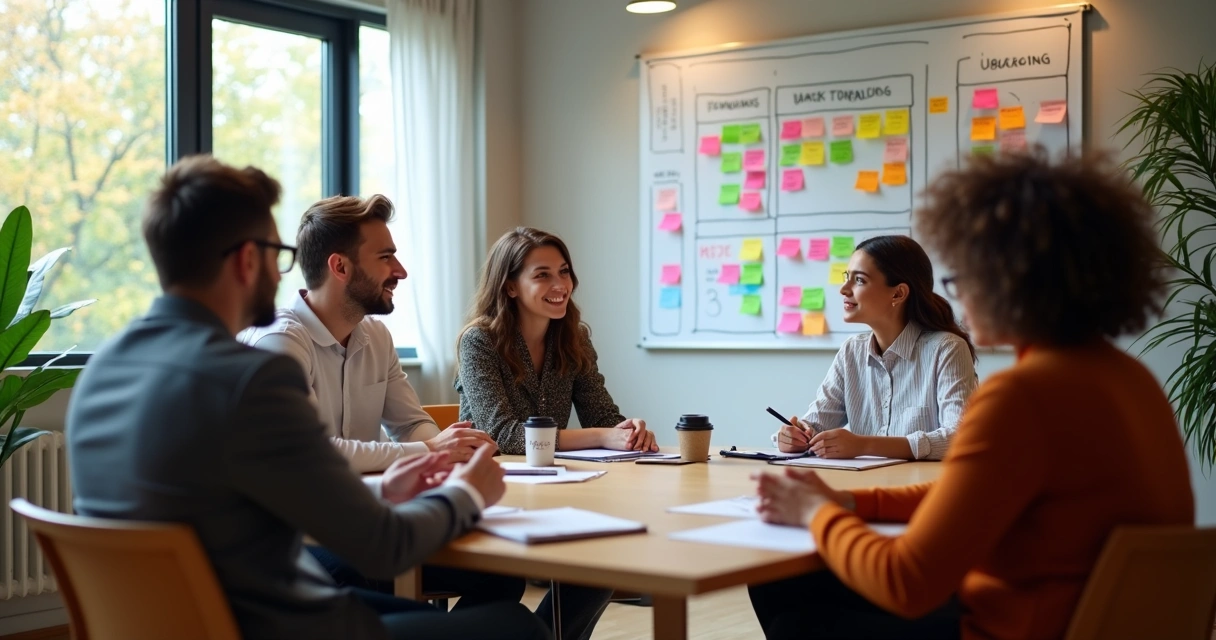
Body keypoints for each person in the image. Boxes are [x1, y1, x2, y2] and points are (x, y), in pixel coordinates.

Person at [66, 155, 549, 640]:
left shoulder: (104, 369)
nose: (284, 275)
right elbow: (384, 546)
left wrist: (383, 490)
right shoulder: (250, 378)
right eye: (279, 255)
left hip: (183, 621)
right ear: (246, 260)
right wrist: (468, 492)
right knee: (515, 627)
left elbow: (238, 501)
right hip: (275, 625)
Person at [748, 149, 1194, 640]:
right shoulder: (1130, 378)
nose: (957, 297)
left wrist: (817, 513)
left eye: (964, 277)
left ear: (1011, 282)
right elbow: (966, 492)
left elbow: (906, 582)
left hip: (1016, 628)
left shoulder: (1023, 395)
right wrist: (853, 505)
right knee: (795, 591)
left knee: (786, 598)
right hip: (1085, 618)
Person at [241, 193, 521, 607]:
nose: (401, 271)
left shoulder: (376, 335)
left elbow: (410, 423)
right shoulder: (279, 344)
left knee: (501, 574)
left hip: (362, 517)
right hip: (296, 541)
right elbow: (315, 454)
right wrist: (427, 449)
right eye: (386, 257)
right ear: (340, 266)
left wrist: (446, 455)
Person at [455, 226, 650, 640]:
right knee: (509, 583)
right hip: (493, 494)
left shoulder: (573, 338)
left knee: (603, 556)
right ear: (510, 286)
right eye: (542, 274)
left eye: (564, 272)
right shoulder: (480, 342)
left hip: (556, 489)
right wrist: (599, 436)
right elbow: (501, 434)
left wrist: (628, 431)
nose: (560, 285)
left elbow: (603, 415)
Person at [773, 235, 978, 460]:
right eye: (846, 277)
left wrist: (866, 445)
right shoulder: (851, 352)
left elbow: (960, 438)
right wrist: (794, 437)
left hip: (924, 490)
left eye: (859, 280)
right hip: (865, 486)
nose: (843, 289)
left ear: (898, 293)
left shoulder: (947, 349)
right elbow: (816, 425)